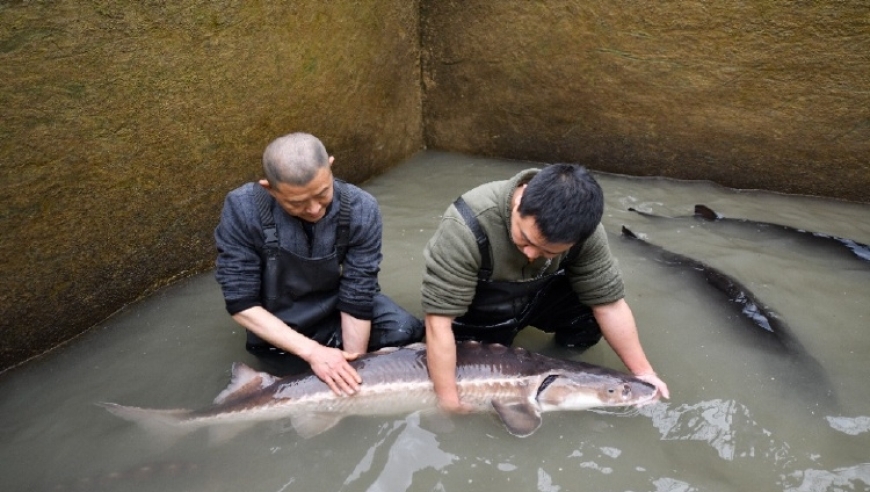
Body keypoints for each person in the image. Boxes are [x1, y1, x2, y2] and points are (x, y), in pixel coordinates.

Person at [421, 163, 669, 412]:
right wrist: (449, 402)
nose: (530, 254)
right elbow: (438, 322)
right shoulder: (466, 225)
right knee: (467, 361)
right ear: (521, 199)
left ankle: (556, 366)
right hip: (482, 310)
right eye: (525, 239)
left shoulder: (586, 234)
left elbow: (610, 305)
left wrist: (644, 373)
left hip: (536, 298)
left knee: (589, 316)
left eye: (548, 252)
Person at [215, 132, 423, 396]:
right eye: (297, 203)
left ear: (331, 166)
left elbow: (358, 292)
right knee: (289, 376)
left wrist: (351, 366)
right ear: (269, 188)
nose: (314, 209)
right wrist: (313, 352)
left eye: (323, 193)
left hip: (336, 307)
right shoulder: (242, 209)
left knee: (407, 330)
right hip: (281, 321)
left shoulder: (361, 207)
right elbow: (240, 302)